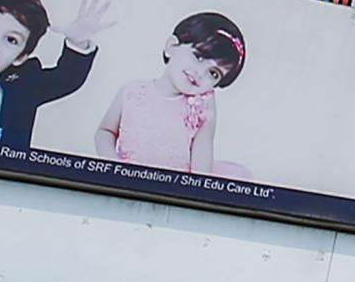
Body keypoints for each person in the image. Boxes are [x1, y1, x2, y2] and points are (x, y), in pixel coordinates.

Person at [97, 12, 247, 175]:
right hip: (129, 180)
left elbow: (203, 154)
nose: (200, 73)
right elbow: (105, 132)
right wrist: (114, 168)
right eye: (198, 57)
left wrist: (195, 186)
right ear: (171, 47)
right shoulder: (132, 91)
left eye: (213, 73)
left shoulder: (202, 108)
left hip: (173, 185)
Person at [0, 0, 109, 153]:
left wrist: (78, 43)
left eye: (11, 40)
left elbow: (66, 79)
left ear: (20, 57)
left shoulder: (22, 84)